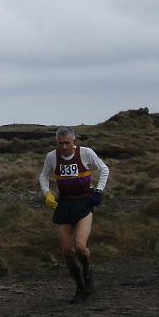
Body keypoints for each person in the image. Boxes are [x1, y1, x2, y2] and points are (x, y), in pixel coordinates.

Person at [39, 126, 109, 304]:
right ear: (57, 142)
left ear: (74, 142)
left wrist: (98, 192)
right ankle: (80, 287)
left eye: (67, 143)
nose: (63, 147)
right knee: (66, 251)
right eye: (60, 143)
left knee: (79, 246)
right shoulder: (51, 157)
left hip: (84, 202)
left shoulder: (86, 153)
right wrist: (47, 193)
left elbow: (104, 169)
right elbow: (43, 176)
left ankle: (87, 273)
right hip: (64, 203)